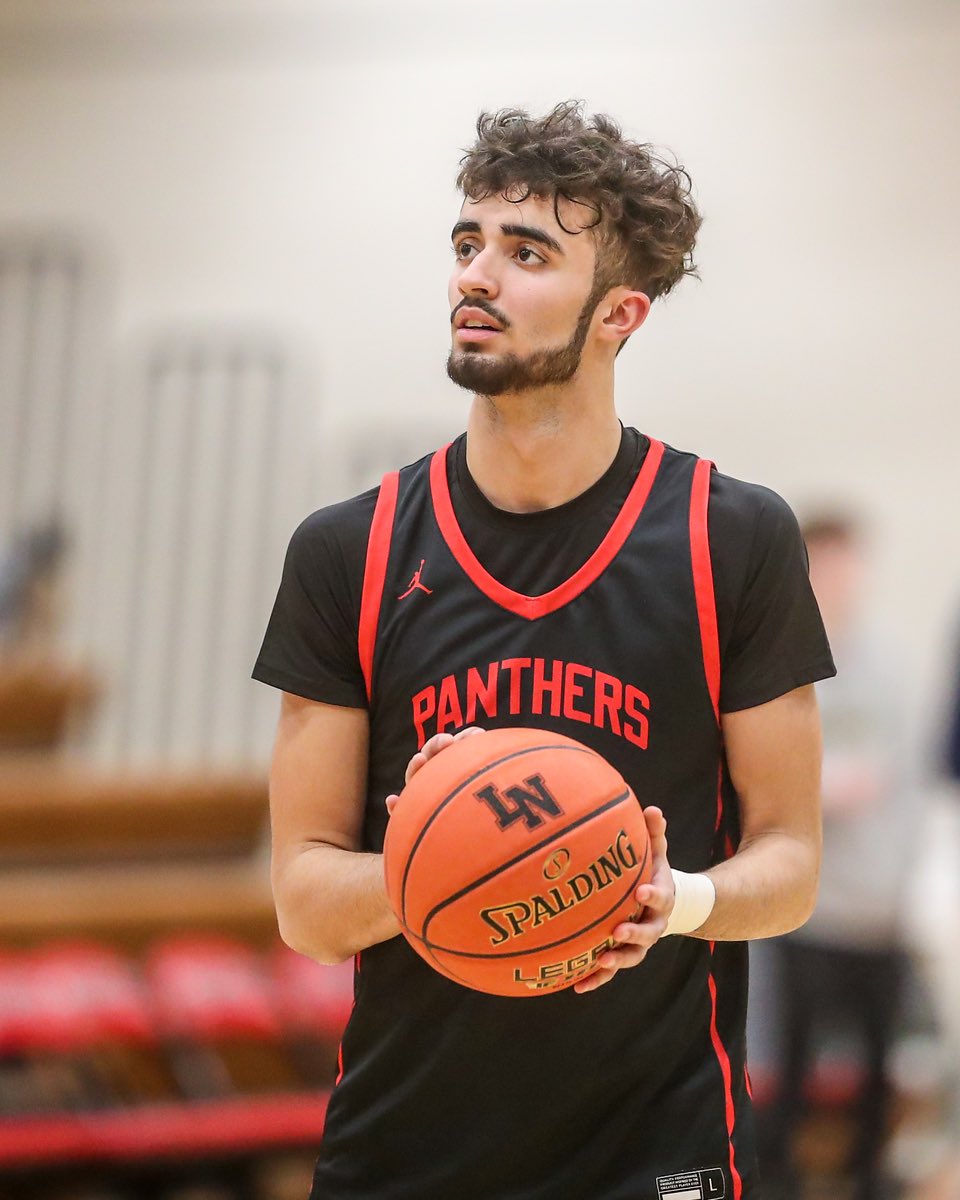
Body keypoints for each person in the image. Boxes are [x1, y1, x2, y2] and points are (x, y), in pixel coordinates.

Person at [253, 102, 835, 1200]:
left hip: (655, 1152)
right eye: (468, 243)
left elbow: (793, 864)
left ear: (621, 312)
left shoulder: (730, 537)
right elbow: (304, 903)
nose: (478, 275)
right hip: (405, 1152)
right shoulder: (351, 551)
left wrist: (677, 900)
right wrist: (440, 855)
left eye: (528, 254)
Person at [762, 515, 916, 1200]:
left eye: (849, 564)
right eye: (827, 565)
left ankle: (869, 1176)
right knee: (794, 1052)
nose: (841, 579)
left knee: (880, 1055)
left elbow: (896, 778)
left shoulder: (887, 657)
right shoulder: (787, 653)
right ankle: (780, 1175)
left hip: (881, 902)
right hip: (813, 904)